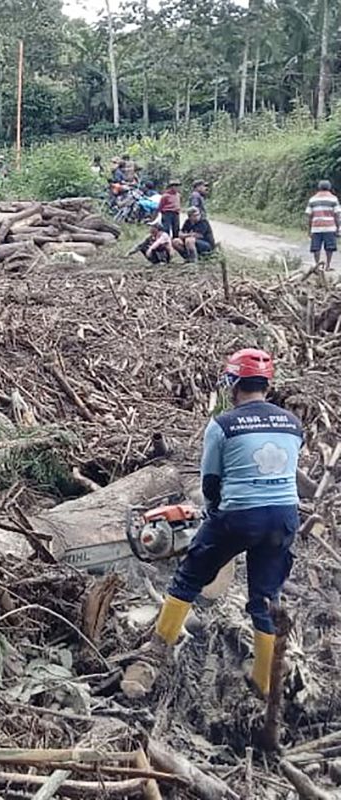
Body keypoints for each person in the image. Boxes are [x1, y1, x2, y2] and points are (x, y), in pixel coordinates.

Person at [148, 349, 301, 698]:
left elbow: (210, 483)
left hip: (239, 516)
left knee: (188, 578)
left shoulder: (222, 425)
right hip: (284, 517)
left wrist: (213, 513)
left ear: (232, 383)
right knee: (264, 599)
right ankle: (263, 685)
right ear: (267, 383)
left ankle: (157, 651)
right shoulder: (293, 424)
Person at [306, 179, 341, 271]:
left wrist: (309, 229)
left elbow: (309, 216)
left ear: (319, 187)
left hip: (316, 227)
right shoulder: (333, 199)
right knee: (329, 247)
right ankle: (328, 265)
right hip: (330, 227)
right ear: (329, 187)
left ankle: (317, 265)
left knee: (316, 247)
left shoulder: (312, 199)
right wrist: (338, 228)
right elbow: (337, 215)